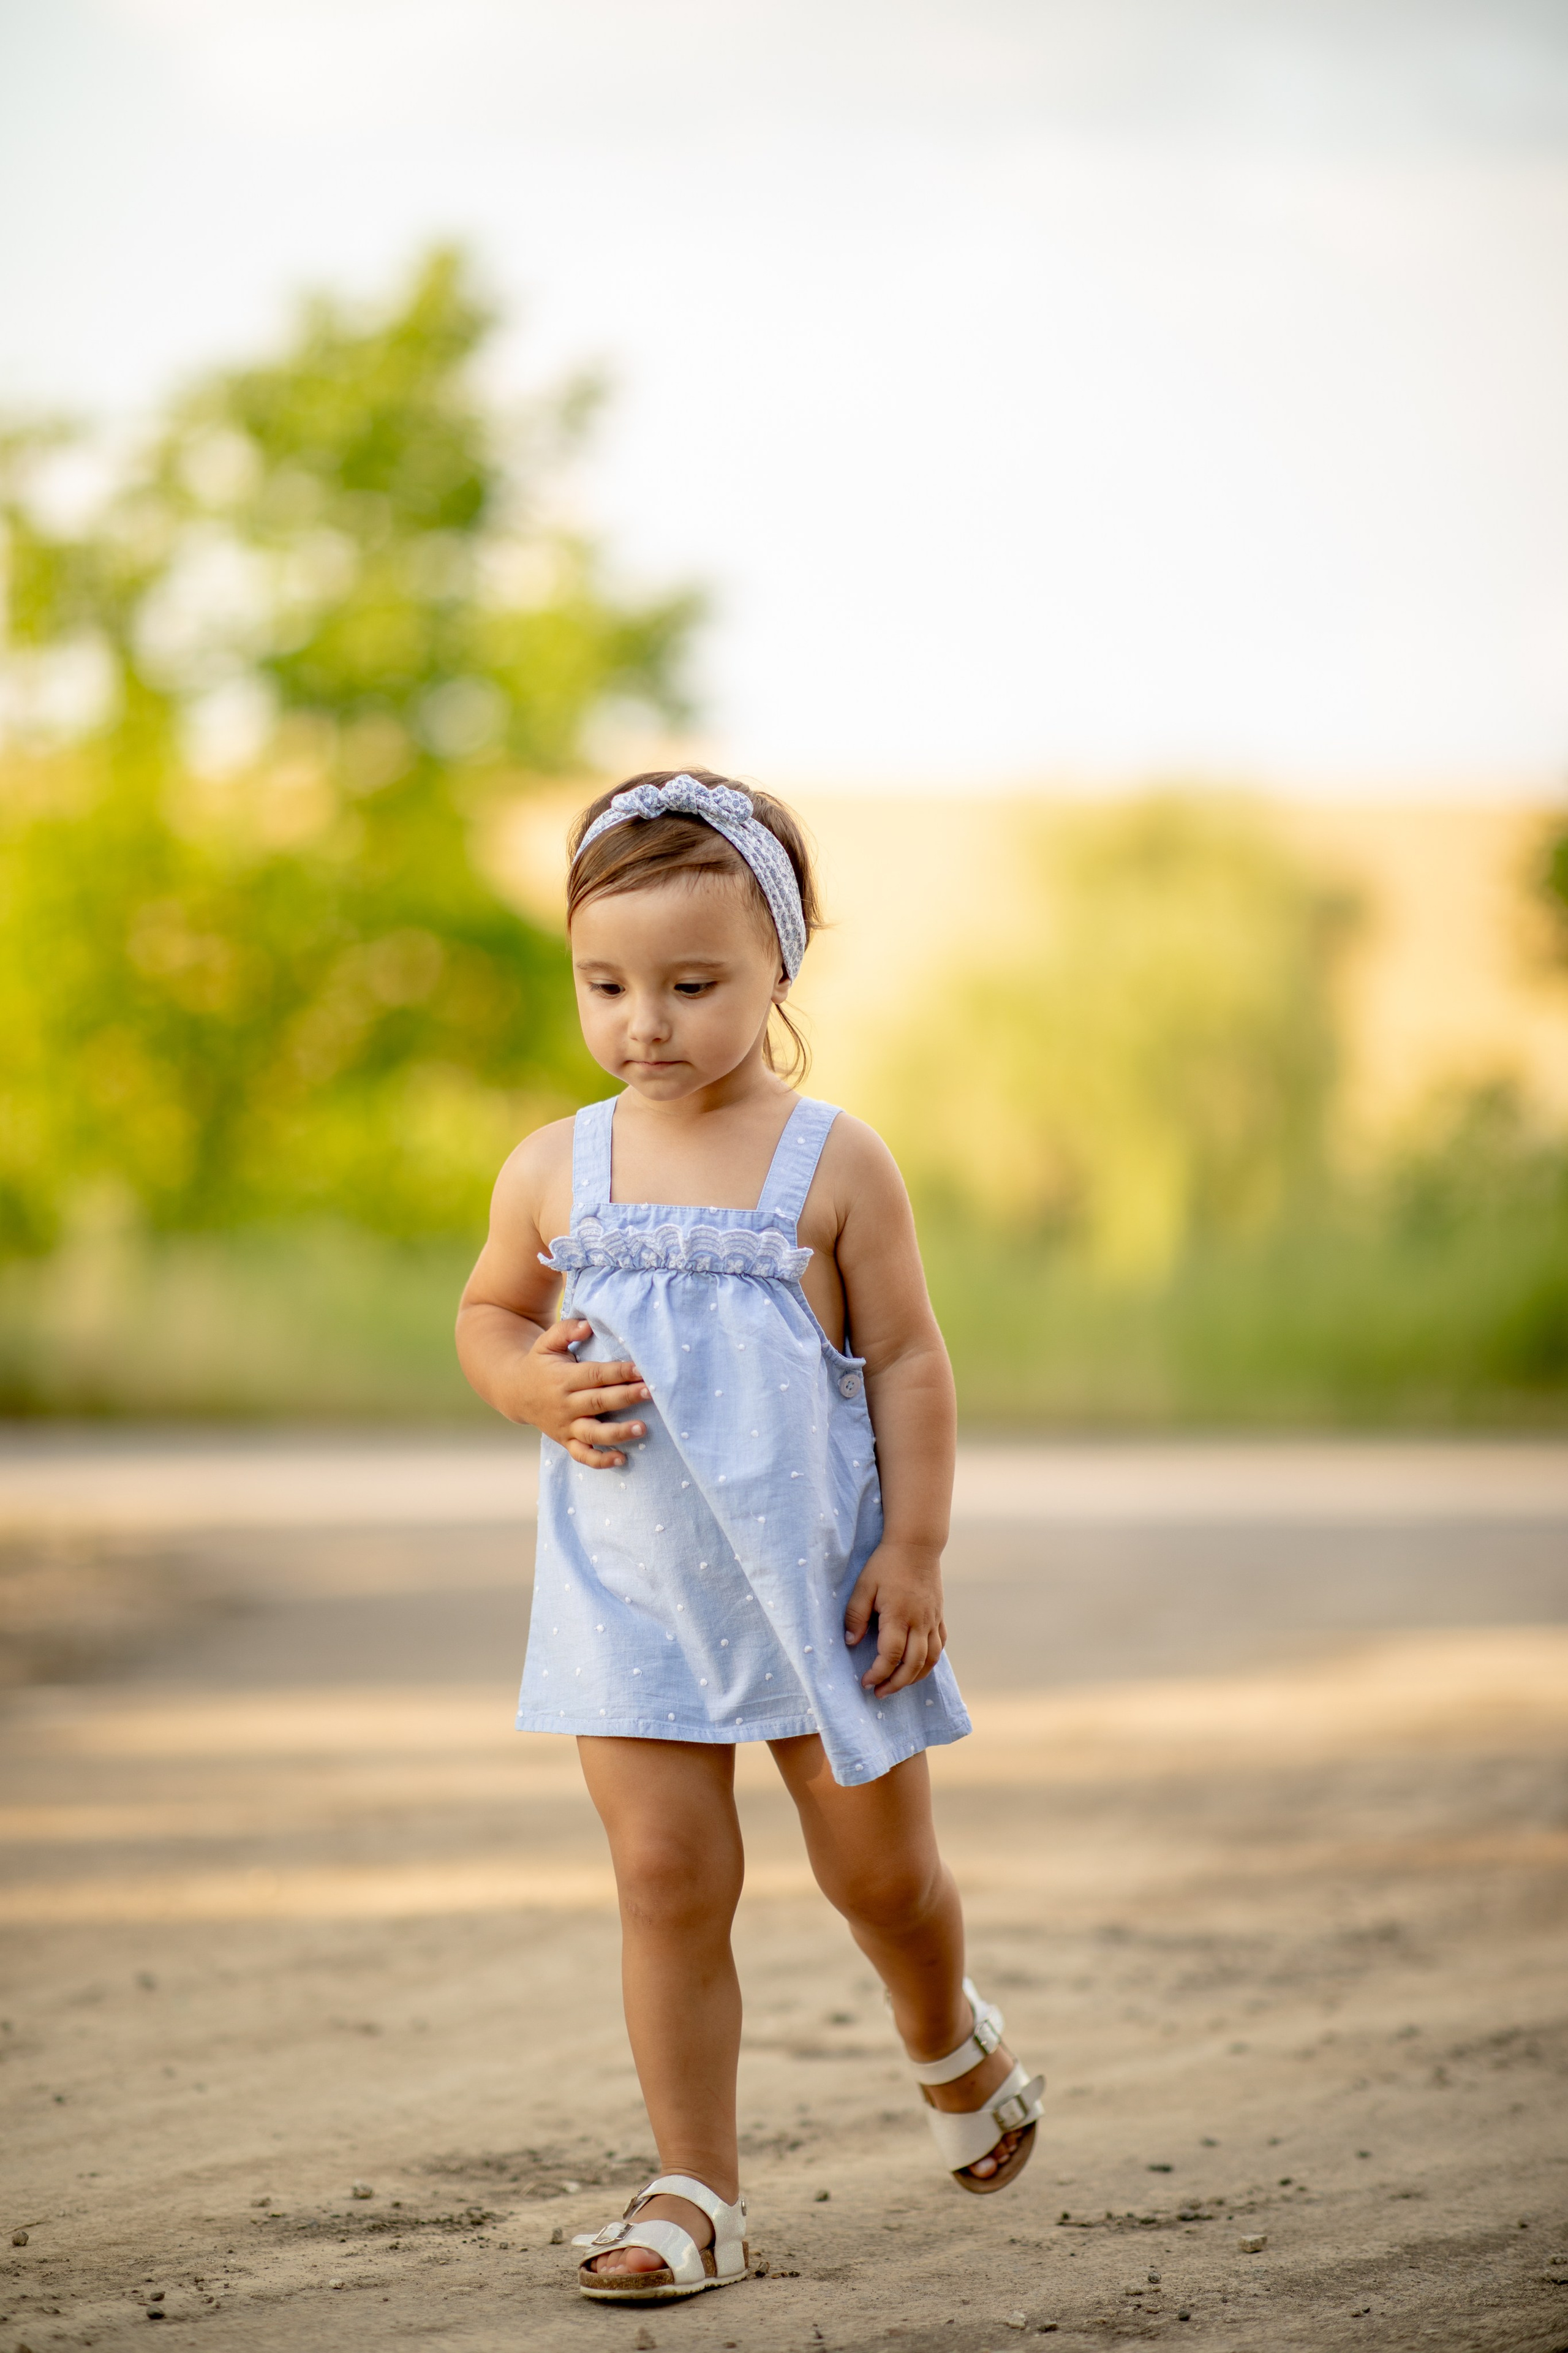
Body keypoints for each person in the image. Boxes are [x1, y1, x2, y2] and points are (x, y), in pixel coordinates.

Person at [456, 771, 1044, 2304]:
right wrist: (525, 1379)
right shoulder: (552, 1165)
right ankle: (692, 2188)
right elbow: (487, 1313)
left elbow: (909, 1358)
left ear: (777, 970)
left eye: (692, 985)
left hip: (817, 1595)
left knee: (879, 1880)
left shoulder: (833, 1163)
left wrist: (910, 1551)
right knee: (662, 1876)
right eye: (606, 984)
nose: (643, 1022)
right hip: (627, 1594)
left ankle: (943, 2027)